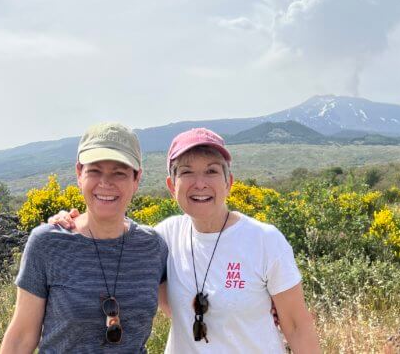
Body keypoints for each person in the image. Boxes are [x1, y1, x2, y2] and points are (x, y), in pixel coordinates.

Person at [52, 128, 320, 353]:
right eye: (187, 172)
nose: (200, 183)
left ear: (229, 182)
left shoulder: (264, 240)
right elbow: (111, 240)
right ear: (172, 185)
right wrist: (71, 223)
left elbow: (297, 327)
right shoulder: (163, 237)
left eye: (212, 171)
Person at [0, 122, 168, 354]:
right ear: (79, 174)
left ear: (136, 179)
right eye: (95, 171)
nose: (106, 182)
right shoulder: (47, 243)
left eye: (119, 172)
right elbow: (21, 337)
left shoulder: (154, 246)